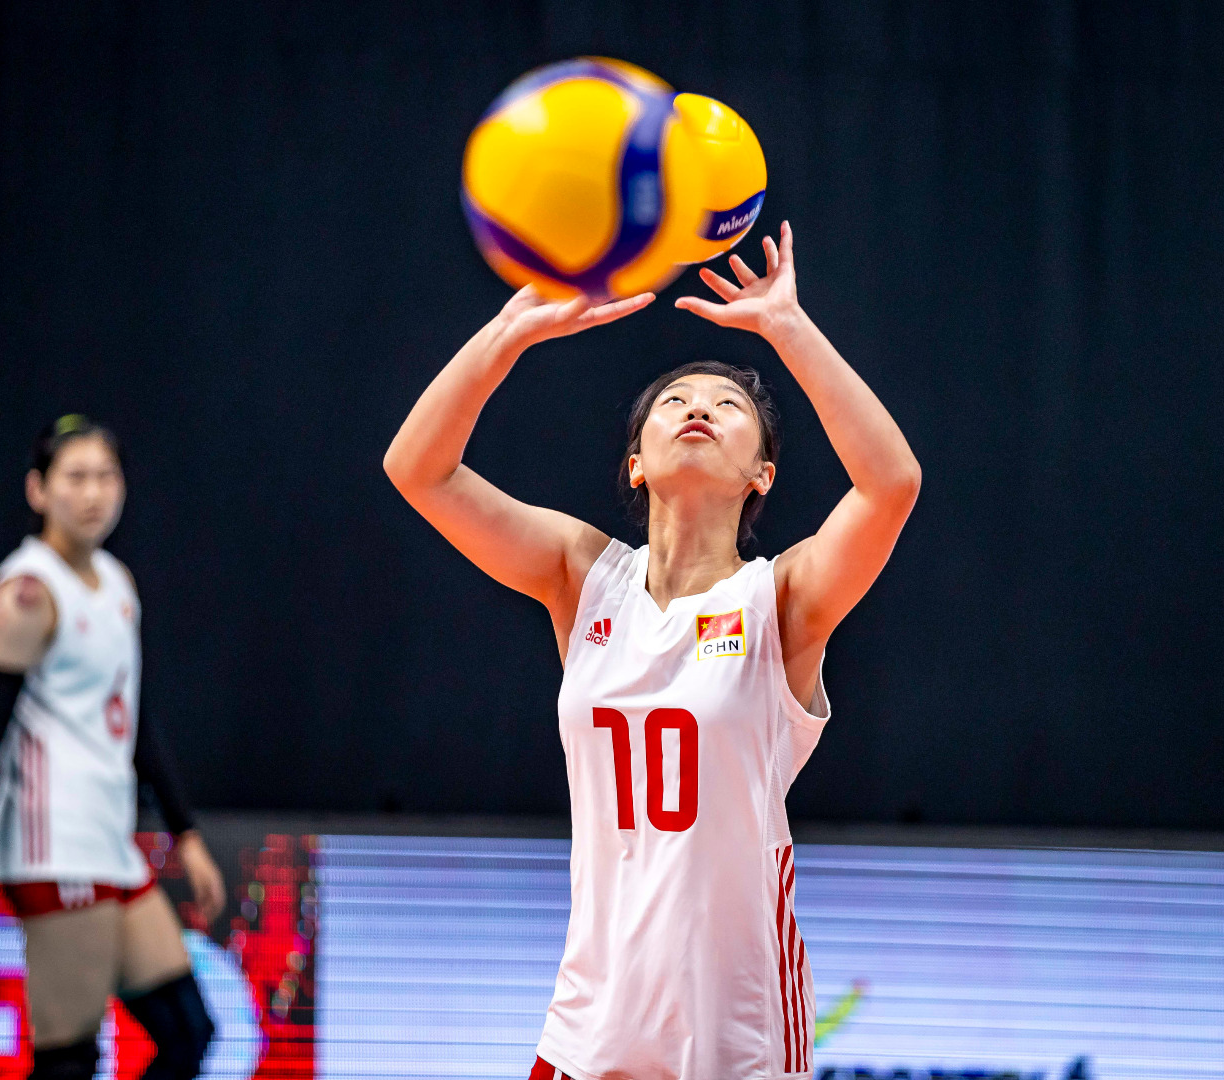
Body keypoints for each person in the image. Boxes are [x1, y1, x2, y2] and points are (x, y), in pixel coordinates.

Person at [384, 221, 920, 1080]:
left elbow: (890, 485)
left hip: (734, 1035)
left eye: (728, 405)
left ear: (762, 475)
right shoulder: (582, 576)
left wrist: (786, 327)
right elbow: (418, 470)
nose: (698, 408)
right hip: (588, 1025)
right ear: (635, 463)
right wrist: (508, 333)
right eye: (674, 401)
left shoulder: (779, 600)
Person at [0, 415, 227, 1080]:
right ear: (37, 490)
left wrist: (187, 833)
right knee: (69, 1059)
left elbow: (133, 719)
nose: (93, 493)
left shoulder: (117, 582)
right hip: (53, 845)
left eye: (106, 476)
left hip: (109, 840)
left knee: (189, 1033)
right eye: (76, 477)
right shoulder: (26, 595)